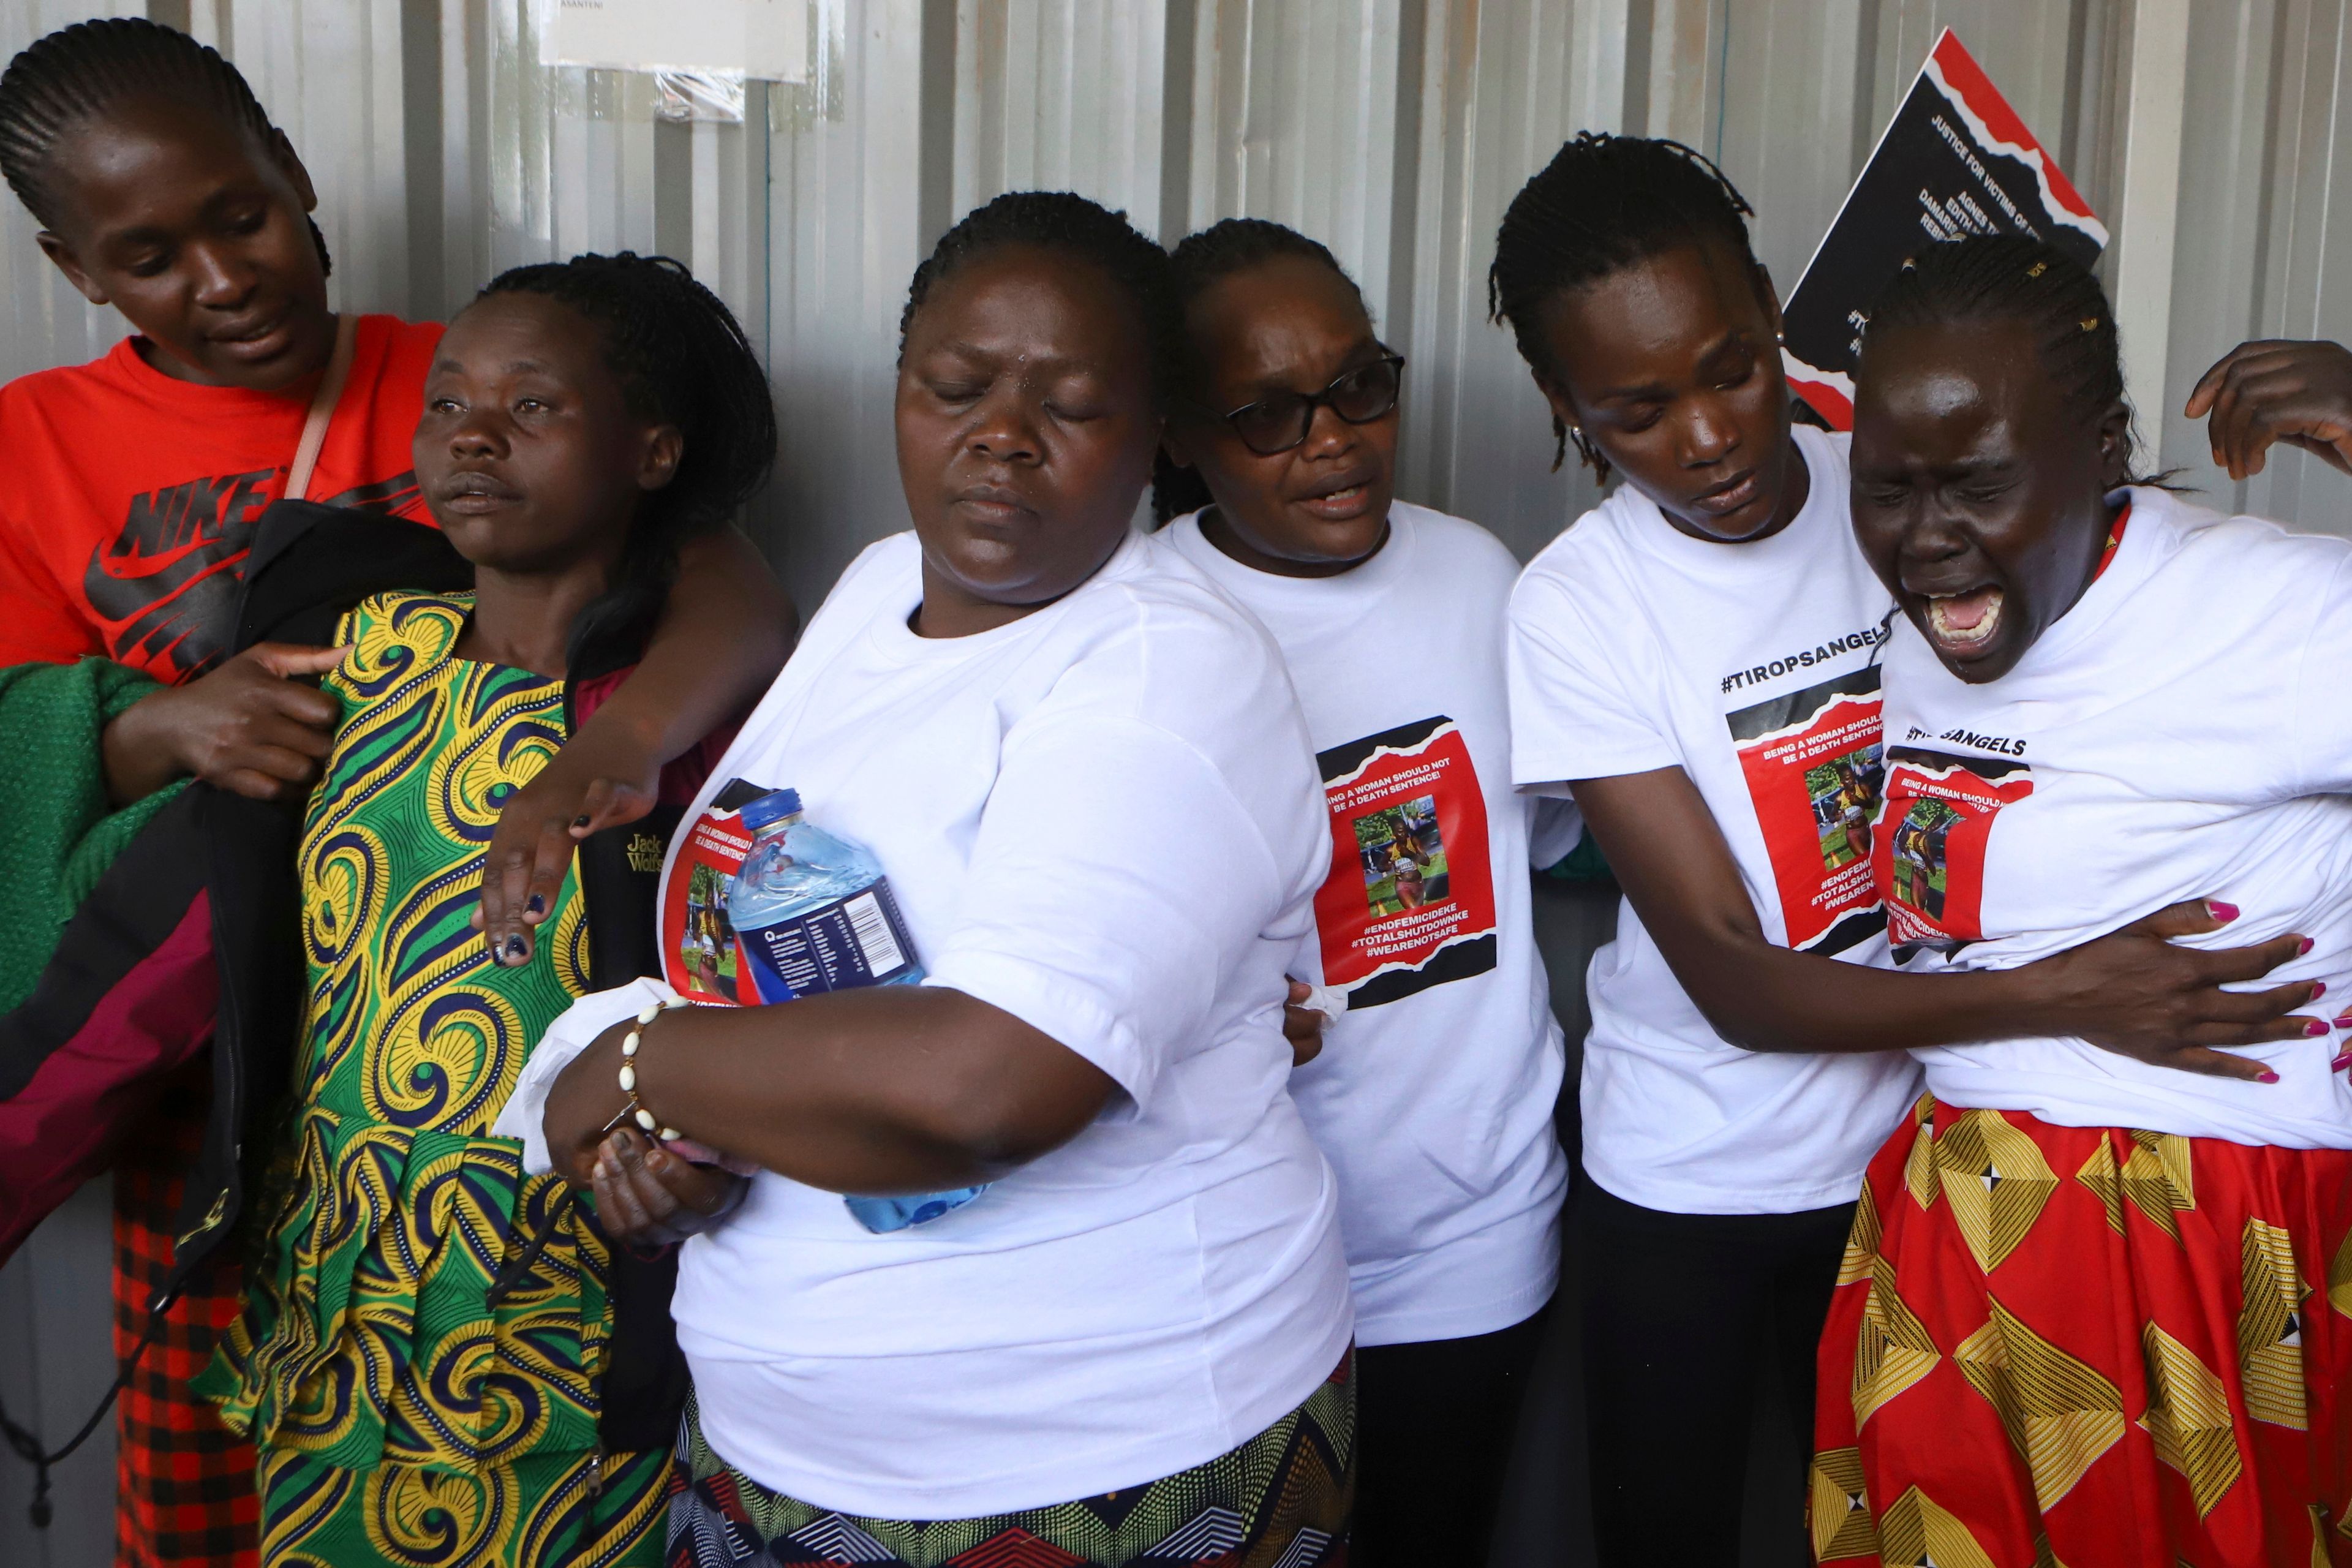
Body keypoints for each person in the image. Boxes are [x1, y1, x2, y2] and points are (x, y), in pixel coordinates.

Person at [0, 21, 792, 1562]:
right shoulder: (34, 447)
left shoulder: (479, 362)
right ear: (77, 268)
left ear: (294, 177)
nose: (223, 279)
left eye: (241, 217)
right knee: (226, 1485)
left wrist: (600, 754)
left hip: (555, 1279)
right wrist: (165, 726)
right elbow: (38, 771)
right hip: (225, 1087)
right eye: (152, 255)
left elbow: (707, 564)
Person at [1485, 133, 2328, 1564]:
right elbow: (1739, 983)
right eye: (1636, 409)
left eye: (1731, 368)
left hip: (1912, 1158)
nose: (1706, 435)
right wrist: (2069, 989)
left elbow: (2134, 603)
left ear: (1772, 312)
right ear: (1566, 410)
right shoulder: (1580, 605)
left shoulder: (1901, 470)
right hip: (1694, 1169)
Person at [491, 192, 1355, 1568]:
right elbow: (788, 976)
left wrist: (630, 1068)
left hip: (1095, 1462)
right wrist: (690, 1162)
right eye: (955, 387)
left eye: (1069, 406)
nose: (999, 436)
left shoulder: (1164, 673)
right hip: (777, 1448)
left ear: (1152, 441)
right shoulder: (880, 588)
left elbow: (986, 1085)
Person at [183, 251, 772, 1568]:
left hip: (562, 1331)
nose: (474, 435)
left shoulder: (691, 732)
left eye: (535, 406)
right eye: (448, 403)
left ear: (654, 450)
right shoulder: (372, 644)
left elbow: (740, 585)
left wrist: (614, 741)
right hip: (338, 1308)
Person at [1811, 235, 2352, 1568]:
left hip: (2201, 1233)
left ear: (2105, 448)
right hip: (1953, 1212)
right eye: (1888, 490)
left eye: (1980, 485)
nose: (1928, 540)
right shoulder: (1921, 618)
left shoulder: (2270, 616)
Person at [1152, 216, 1568, 1567]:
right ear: (1181, 434)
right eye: (1267, 413)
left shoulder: (1478, 577)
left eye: (1360, 386)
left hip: (1471, 1234)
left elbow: (1553, 838)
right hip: (1237, 1250)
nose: (1331, 438)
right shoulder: (1141, 624)